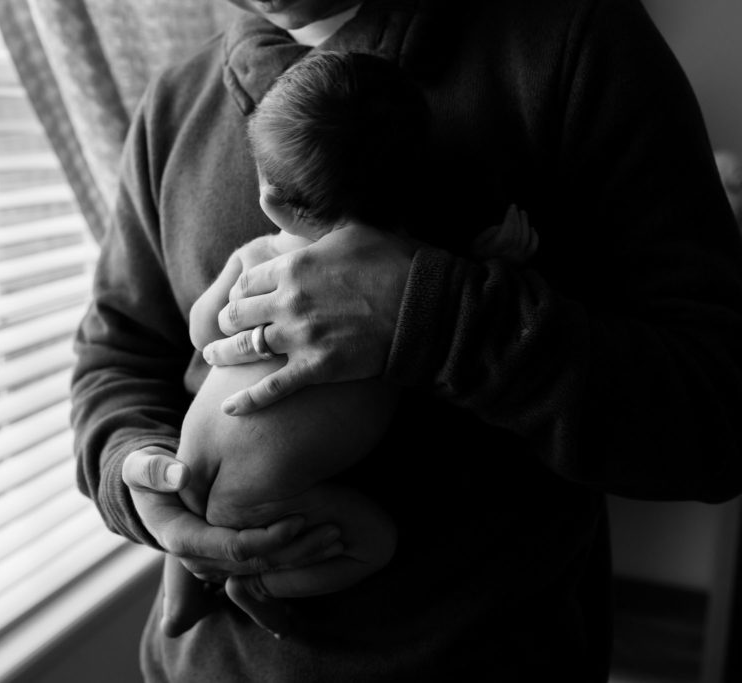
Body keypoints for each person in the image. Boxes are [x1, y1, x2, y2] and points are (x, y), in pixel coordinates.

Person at [72, 0, 742, 680]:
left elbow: (720, 412)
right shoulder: (171, 107)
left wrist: (427, 314)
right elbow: (116, 356)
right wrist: (139, 479)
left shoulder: (576, 42)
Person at [161, 50, 539, 638]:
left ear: (270, 200)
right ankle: (258, 587)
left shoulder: (260, 255)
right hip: (266, 498)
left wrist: (228, 334)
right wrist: (500, 260)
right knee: (372, 543)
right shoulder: (412, 272)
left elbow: (201, 331)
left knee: (190, 512)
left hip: (187, 458)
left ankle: (178, 592)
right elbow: (462, 303)